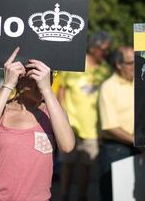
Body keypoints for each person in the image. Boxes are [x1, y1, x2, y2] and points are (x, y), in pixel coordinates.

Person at [0, 47, 75, 200]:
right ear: (20, 76)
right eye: (35, 74)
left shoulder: (52, 114)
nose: (41, 80)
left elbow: (67, 146)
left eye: (48, 74)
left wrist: (47, 90)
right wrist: (7, 85)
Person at [58, 31, 111, 201]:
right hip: (70, 125)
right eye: (103, 49)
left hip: (93, 128)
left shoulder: (106, 70)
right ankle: (64, 196)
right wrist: (60, 116)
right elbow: (61, 90)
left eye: (107, 50)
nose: (106, 53)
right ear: (93, 47)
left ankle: (81, 196)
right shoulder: (75, 63)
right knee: (67, 164)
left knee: (86, 166)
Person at [98, 45, 140, 201]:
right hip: (116, 150)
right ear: (118, 64)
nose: (135, 66)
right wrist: (139, 142)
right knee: (114, 196)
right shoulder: (108, 87)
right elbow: (110, 128)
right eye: (131, 62)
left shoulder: (141, 84)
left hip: (141, 149)